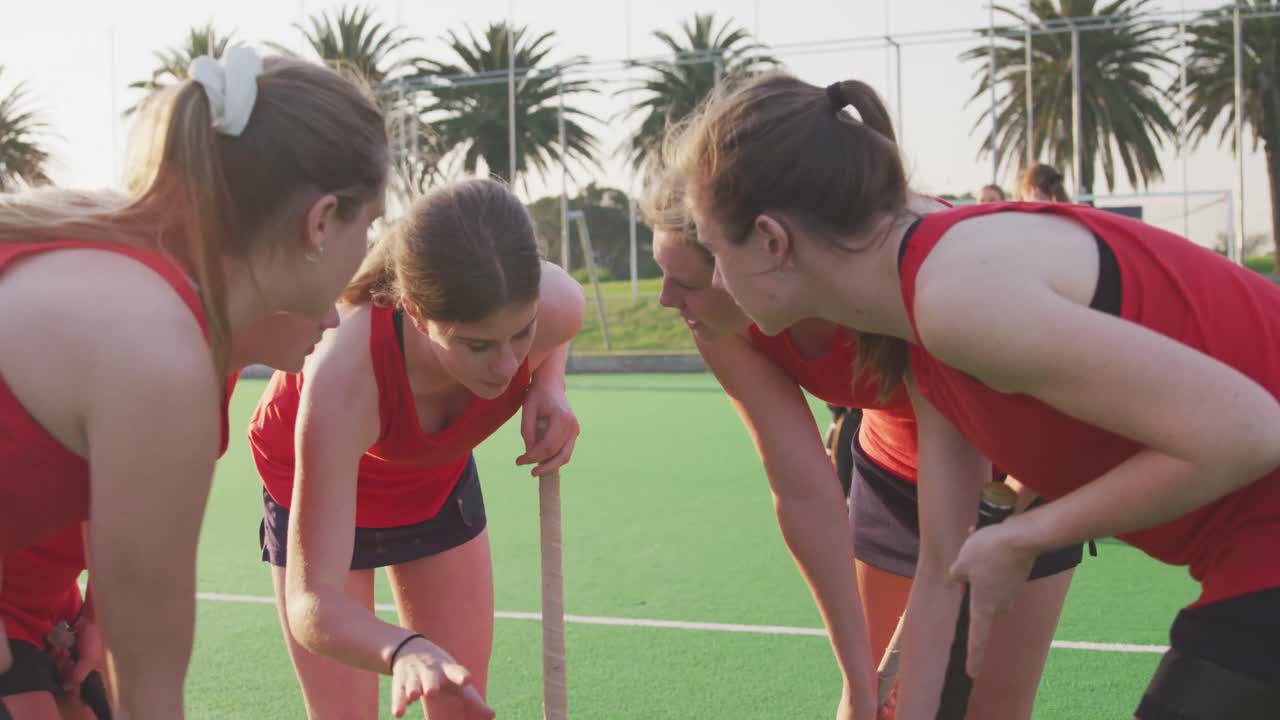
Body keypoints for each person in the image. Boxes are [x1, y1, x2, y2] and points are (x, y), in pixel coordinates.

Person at [674, 70, 1280, 720]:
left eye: (713, 251)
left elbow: (1252, 431)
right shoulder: (915, 310)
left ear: (771, 239)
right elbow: (942, 561)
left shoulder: (956, 298)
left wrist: (1025, 538)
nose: (714, 281)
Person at [0, 46, 387, 719]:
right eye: (372, 223)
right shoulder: (160, 353)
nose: (372, 251)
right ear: (321, 221)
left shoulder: (123, 254)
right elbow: (151, 693)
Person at [645, 170, 1079, 720]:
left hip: (1017, 472)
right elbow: (802, 489)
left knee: (987, 709)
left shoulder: (914, 277)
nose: (665, 298)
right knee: (876, 703)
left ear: (755, 258)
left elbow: (960, 515)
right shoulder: (716, 319)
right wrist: (857, 683)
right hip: (891, 470)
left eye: (682, 282)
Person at [247, 178, 585, 720]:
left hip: (433, 480)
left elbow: (553, 324)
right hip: (320, 479)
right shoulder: (342, 380)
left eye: (521, 335)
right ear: (418, 314)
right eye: (477, 345)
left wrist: (551, 382)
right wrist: (406, 648)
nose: (505, 368)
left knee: (460, 703)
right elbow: (313, 604)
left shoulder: (559, 307)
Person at [0, 311, 339, 720]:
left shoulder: (206, 364)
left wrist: (97, 618)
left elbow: (135, 520)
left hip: (49, 605)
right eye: (316, 293)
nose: (332, 317)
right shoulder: (137, 346)